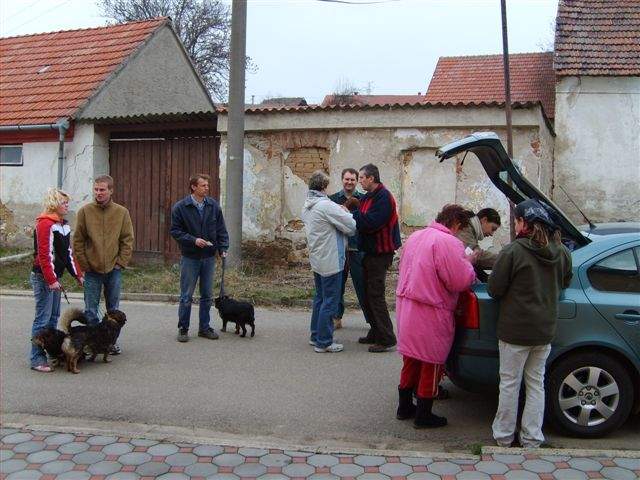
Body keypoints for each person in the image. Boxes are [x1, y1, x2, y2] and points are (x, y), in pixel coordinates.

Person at [488, 199, 572, 448]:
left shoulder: (514, 251)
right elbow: (565, 282)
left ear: (525, 223)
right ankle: (532, 437)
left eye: (516, 220)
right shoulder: (562, 253)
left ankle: (504, 437)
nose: (515, 224)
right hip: (544, 331)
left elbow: (495, 289)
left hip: (514, 332)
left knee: (510, 383)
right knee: (536, 384)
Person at [395, 205, 478, 428]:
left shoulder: (416, 235)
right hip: (431, 310)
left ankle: (404, 407)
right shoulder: (448, 242)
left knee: (411, 359)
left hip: (408, 306)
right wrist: (469, 265)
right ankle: (424, 414)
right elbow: (458, 280)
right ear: (458, 224)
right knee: (431, 363)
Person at [73, 175, 134, 354]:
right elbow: (78, 241)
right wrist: (85, 264)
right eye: (96, 189)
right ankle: (92, 344)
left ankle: (110, 343)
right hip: (92, 270)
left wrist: (120, 263)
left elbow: (127, 240)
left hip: (113, 270)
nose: (98, 193)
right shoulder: (85, 212)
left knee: (113, 310)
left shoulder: (121, 212)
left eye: (102, 190)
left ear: (111, 191)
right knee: (91, 310)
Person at [301, 170, 356, 353]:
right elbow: (351, 226)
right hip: (331, 257)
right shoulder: (326, 205)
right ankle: (324, 342)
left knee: (320, 297)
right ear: (324, 187)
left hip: (318, 257)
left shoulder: (308, 204)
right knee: (330, 300)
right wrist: (347, 212)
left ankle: (316, 334)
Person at [170, 174, 229, 343]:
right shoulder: (181, 207)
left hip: (209, 257)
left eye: (207, 185)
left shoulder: (213, 206)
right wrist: (193, 240)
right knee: (186, 295)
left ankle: (204, 327)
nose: (207, 188)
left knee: (207, 295)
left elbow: (221, 229)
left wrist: (223, 247)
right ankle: (183, 328)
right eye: (203, 185)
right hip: (190, 257)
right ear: (193, 187)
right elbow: (175, 231)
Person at [30, 188, 84, 372]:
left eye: (67, 202)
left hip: (54, 278)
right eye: (64, 202)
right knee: (42, 319)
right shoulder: (45, 224)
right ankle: (36, 358)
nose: (67, 205)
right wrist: (51, 280)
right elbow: (44, 256)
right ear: (54, 204)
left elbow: (68, 254)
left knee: (53, 318)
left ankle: (52, 353)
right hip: (43, 277)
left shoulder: (63, 225)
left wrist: (78, 274)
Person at [351, 163, 401, 353]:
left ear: (371, 178)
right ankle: (375, 330)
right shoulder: (367, 197)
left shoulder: (383, 197)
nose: (360, 181)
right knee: (367, 293)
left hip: (380, 253)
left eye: (362, 177)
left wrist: (351, 216)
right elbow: (363, 217)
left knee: (375, 295)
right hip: (369, 252)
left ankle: (387, 337)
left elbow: (372, 222)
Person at [328, 168, 369, 330]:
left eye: (352, 179)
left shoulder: (364, 199)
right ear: (342, 180)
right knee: (338, 285)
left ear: (357, 181)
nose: (349, 182)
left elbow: (366, 222)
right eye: (347, 179)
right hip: (339, 249)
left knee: (363, 286)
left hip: (358, 249)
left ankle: (371, 320)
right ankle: (336, 318)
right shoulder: (332, 200)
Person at [456, 208, 501, 272]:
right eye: (493, 229)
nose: (491, 234)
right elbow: (477, 255)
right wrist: (504, 259)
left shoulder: (470, 229)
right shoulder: (465, 228)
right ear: (484, 220)